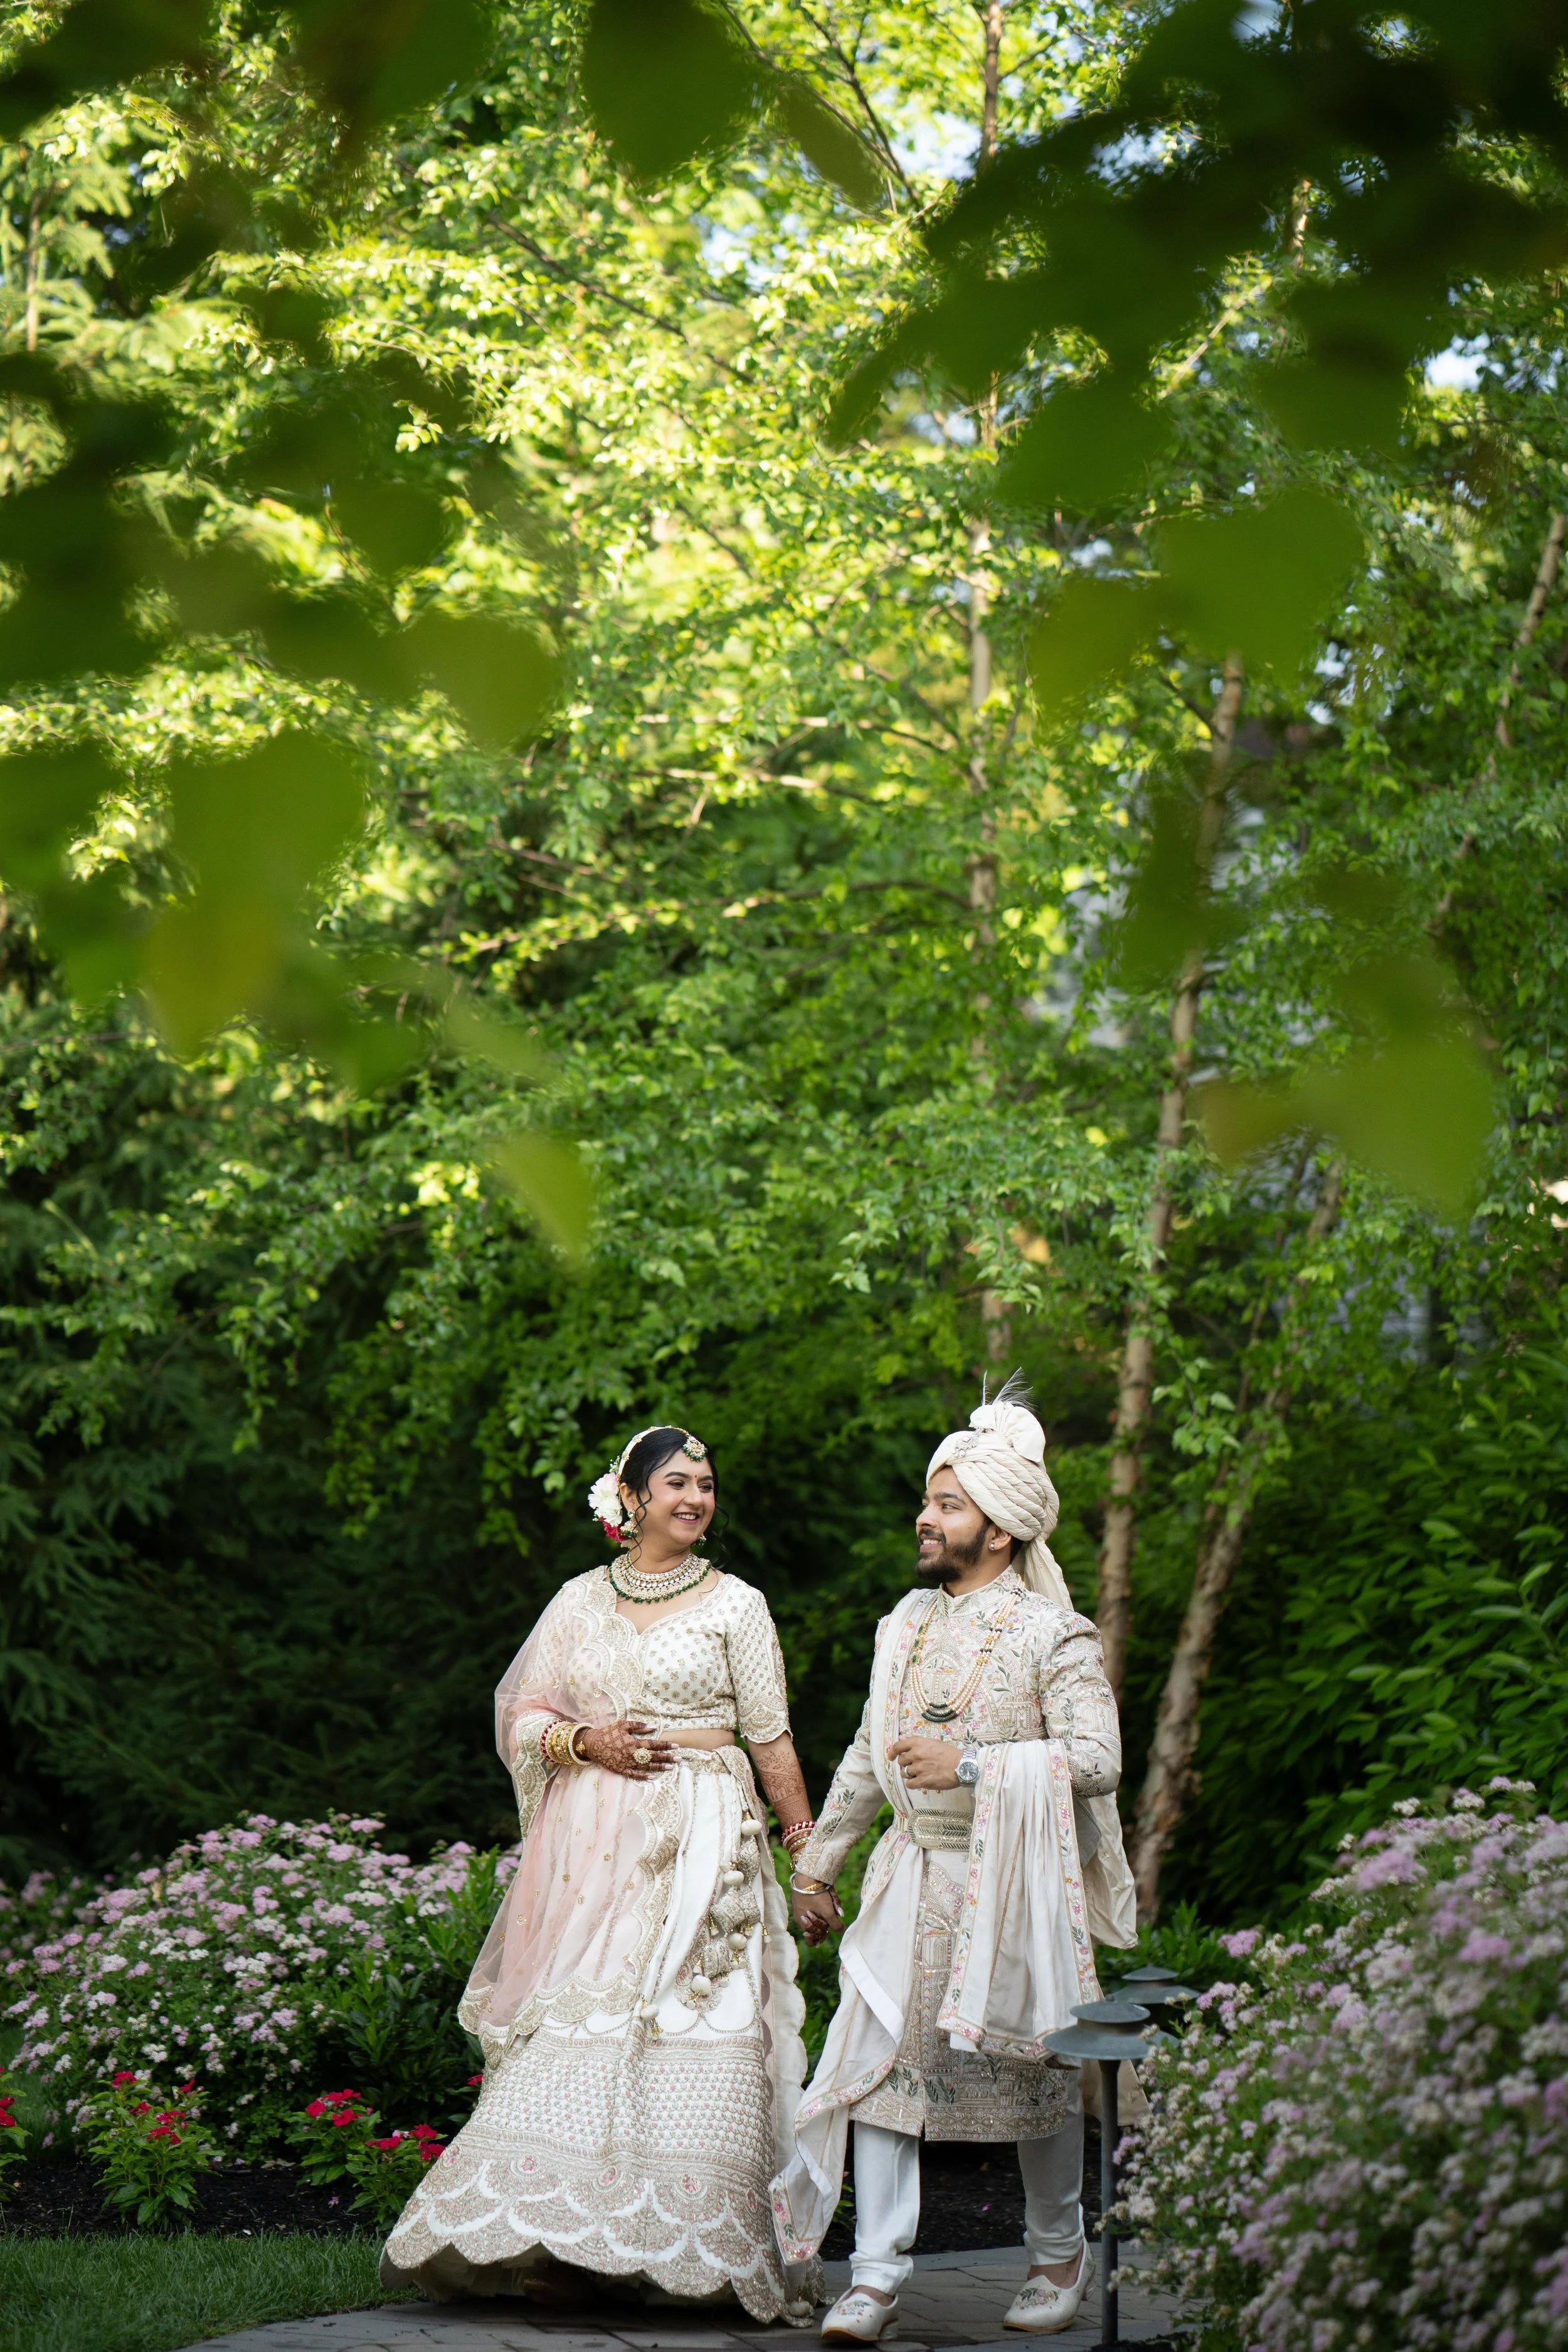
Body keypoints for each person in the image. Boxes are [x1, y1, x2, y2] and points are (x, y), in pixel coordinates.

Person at [382, 1425, 822, 2323]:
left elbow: (771, 1737)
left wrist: (808, 1857)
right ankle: (562, 2246)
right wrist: (583, 1741)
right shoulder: (578, 1600)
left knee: (692, 2023)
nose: (695, 1497)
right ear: (629, 1497)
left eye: (705, 1483)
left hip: (704, 1841)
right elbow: (521, 1714)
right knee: (583, 2026)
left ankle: (691, 2245)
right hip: (591, 1854)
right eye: (675, 1483)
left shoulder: (738, 1604)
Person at [770, 1379, 1136, 2341]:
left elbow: (1101, 1760)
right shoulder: (908, 1622)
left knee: (1033, 2073)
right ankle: (877, 2274)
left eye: (947, 1503)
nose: (924, 1517)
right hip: (908, 1876)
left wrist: (975, 1762)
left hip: (1013, 1883)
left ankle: (1058, 2254)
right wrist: (820, 1865)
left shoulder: (1054, 1635)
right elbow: (865, 1751)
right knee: (882, 2064)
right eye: (930, 1500)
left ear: (1002, 1530)